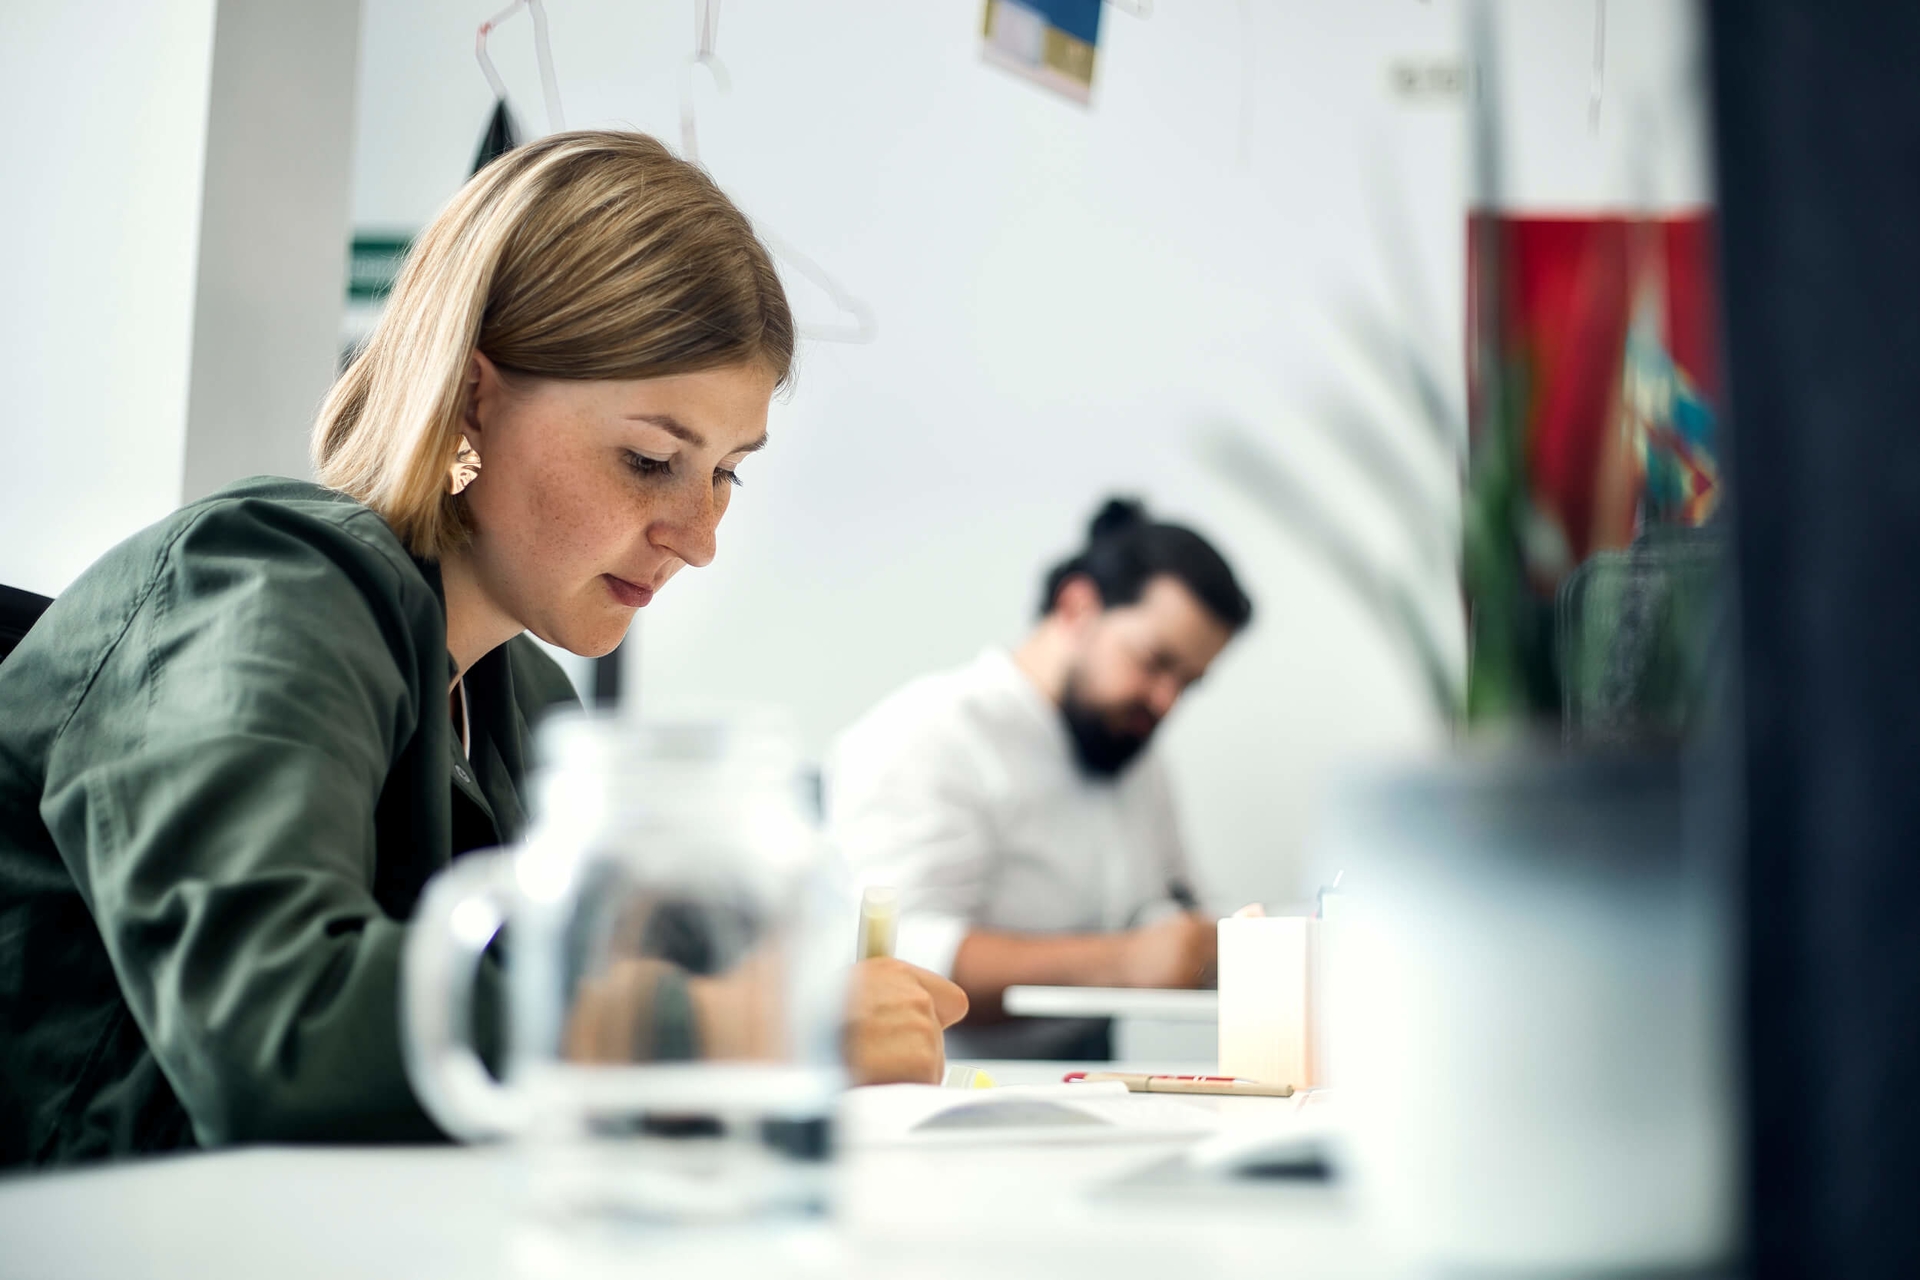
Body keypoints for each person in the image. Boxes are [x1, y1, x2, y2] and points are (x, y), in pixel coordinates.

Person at [0, 131, 965, 1168]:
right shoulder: (257, 587)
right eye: (650, 460)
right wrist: (748, 1030)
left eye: (728, 471)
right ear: (471, 397)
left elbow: (549, 1028)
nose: (701, 535)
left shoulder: (529, 697)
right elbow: (281, 1031)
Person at [827, 499, 1253, 1059]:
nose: (1166, 701)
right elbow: (897, 958)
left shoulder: (1131, 751)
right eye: (1155, 662)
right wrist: (1125, 961)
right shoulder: (927, 736)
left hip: (1096, 1082)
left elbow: (1174, 901)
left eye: (1189, 683)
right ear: (1077, 608)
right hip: (944, 1093)